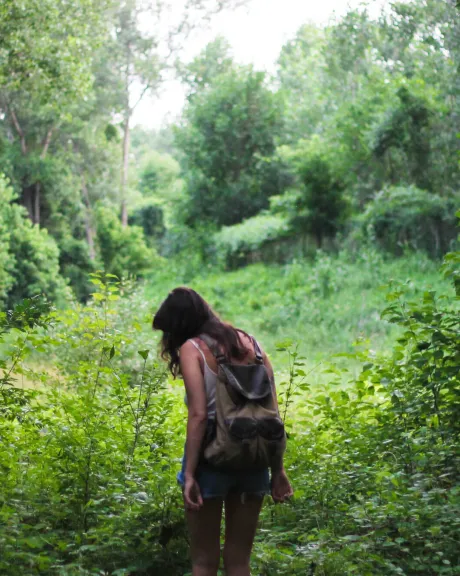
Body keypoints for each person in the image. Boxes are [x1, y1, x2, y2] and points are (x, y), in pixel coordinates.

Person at [153, 287, 293, 576]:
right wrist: (277, 469)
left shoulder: (194, 348)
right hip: (254, 458)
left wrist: (190, 474)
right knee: (240, 561)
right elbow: (272, 416)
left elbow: (199, 415)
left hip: (211, 458)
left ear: (179, 325)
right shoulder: (252, 344)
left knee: (204, 561)